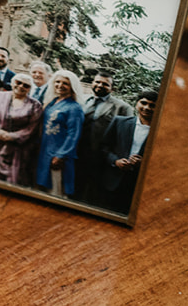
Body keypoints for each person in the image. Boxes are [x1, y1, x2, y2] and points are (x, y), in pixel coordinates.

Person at [77, 72, 134, 203]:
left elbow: (125, 136)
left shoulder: (123, 107)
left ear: (112, 88)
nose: (100, 85)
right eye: (97, 82)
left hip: (100, 156)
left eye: (105, 84)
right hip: (78, 152)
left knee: (93, 192)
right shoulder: (83, 100)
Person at [100, 90, 158, 214]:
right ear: (137, 104)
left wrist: (145, 163)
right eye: (143, 103)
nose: (147, 108)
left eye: (152, 105)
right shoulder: (120, 122)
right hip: (113, 181)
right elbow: (103, 147)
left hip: (139, 186)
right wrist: (115, 161)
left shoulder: (161, 131)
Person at [0, 73, 44, 186]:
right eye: (18, 82)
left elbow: (32, 128)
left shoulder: (35, 105)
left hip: (17, 149)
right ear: (12, 83)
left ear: (30, 89)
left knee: (12, 181)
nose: (21, 86)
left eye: (26, 85)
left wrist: (11, 136)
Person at [35, 70, 89, 197]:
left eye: (65, 83)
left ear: (72, 87)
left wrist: (61, 155)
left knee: (55, 191)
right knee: (40, 189)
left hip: (58, 155)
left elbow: (73, 135)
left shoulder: (74, 108)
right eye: (57, 82)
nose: (60, 85)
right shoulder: (52, 103)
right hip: (44, 152)